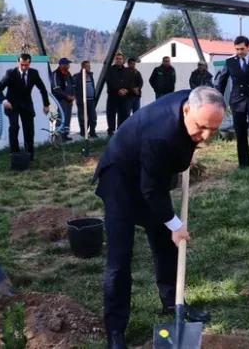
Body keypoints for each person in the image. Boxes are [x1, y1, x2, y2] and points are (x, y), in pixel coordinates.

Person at [92, 86, 225, 349]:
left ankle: (172, 301)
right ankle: (115, 330)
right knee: (120, 258)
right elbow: (150, 190)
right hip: (121, 181)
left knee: (165, 245)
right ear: (186, 110)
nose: (206, 137)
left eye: (213, 129)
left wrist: (186, 152)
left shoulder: (196, 100)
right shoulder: (159, 134)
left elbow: (155, 183)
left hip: (152, 176)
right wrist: (175, 225)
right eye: (201, 128)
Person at [215, 36, 249, 167]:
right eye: (237, 49)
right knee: (240, 131)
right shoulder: (230, 62)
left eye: (242, 49)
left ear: (248, 47)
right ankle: (243, 162)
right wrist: (218, 99)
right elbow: (222, 81)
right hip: (237, 100)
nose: (239, 52)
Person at [0, 53, 50, 161]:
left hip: (26, 105)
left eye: (26, 65)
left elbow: (42, 89)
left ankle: (29, 155)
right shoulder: (11, 73)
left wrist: (46, 104)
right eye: (22, 65)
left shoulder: (34, 73)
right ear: (18, 62)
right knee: (14, 127)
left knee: (29, 130)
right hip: (12, 105)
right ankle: (15, 154)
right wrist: (4, 101)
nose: (24, 67)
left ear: (30, 63)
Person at [105, 52, 134, 136]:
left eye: (120, 59)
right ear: (115, 60)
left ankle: (121, 130)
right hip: (113, 96)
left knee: (123, 114)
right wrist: (118, 90)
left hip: (124, 96)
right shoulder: (110, 70)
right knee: (111, 114)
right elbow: (109, 82)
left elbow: (131, 82)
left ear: (123, 60)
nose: (119, 60)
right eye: (117, 59)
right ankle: (111, 130)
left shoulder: (127, 71)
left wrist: (126, 90)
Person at [51, 57, 76, 141]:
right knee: (61, 117)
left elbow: (72, 85)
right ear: (62, 65)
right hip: (60, 100)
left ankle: (65, 135)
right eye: (67, 64)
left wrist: (73, 96)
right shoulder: (55, 74)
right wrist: (67, 96)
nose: (69, 66)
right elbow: (56, 88)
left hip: (69, 100)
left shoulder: (68, 74)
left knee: (67, 118)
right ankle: (58, 137)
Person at [73, 61, 98, 138]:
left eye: (89, 66)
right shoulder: (77, 76)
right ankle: (83, 132)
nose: (89, 68)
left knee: (93, 117)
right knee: (82, 117)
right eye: (87, 66)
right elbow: (74, 88)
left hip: (91, 100)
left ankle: (92, 132)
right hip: (82, 101)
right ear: (83, 67)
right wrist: (77, 97)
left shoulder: (90, 75)